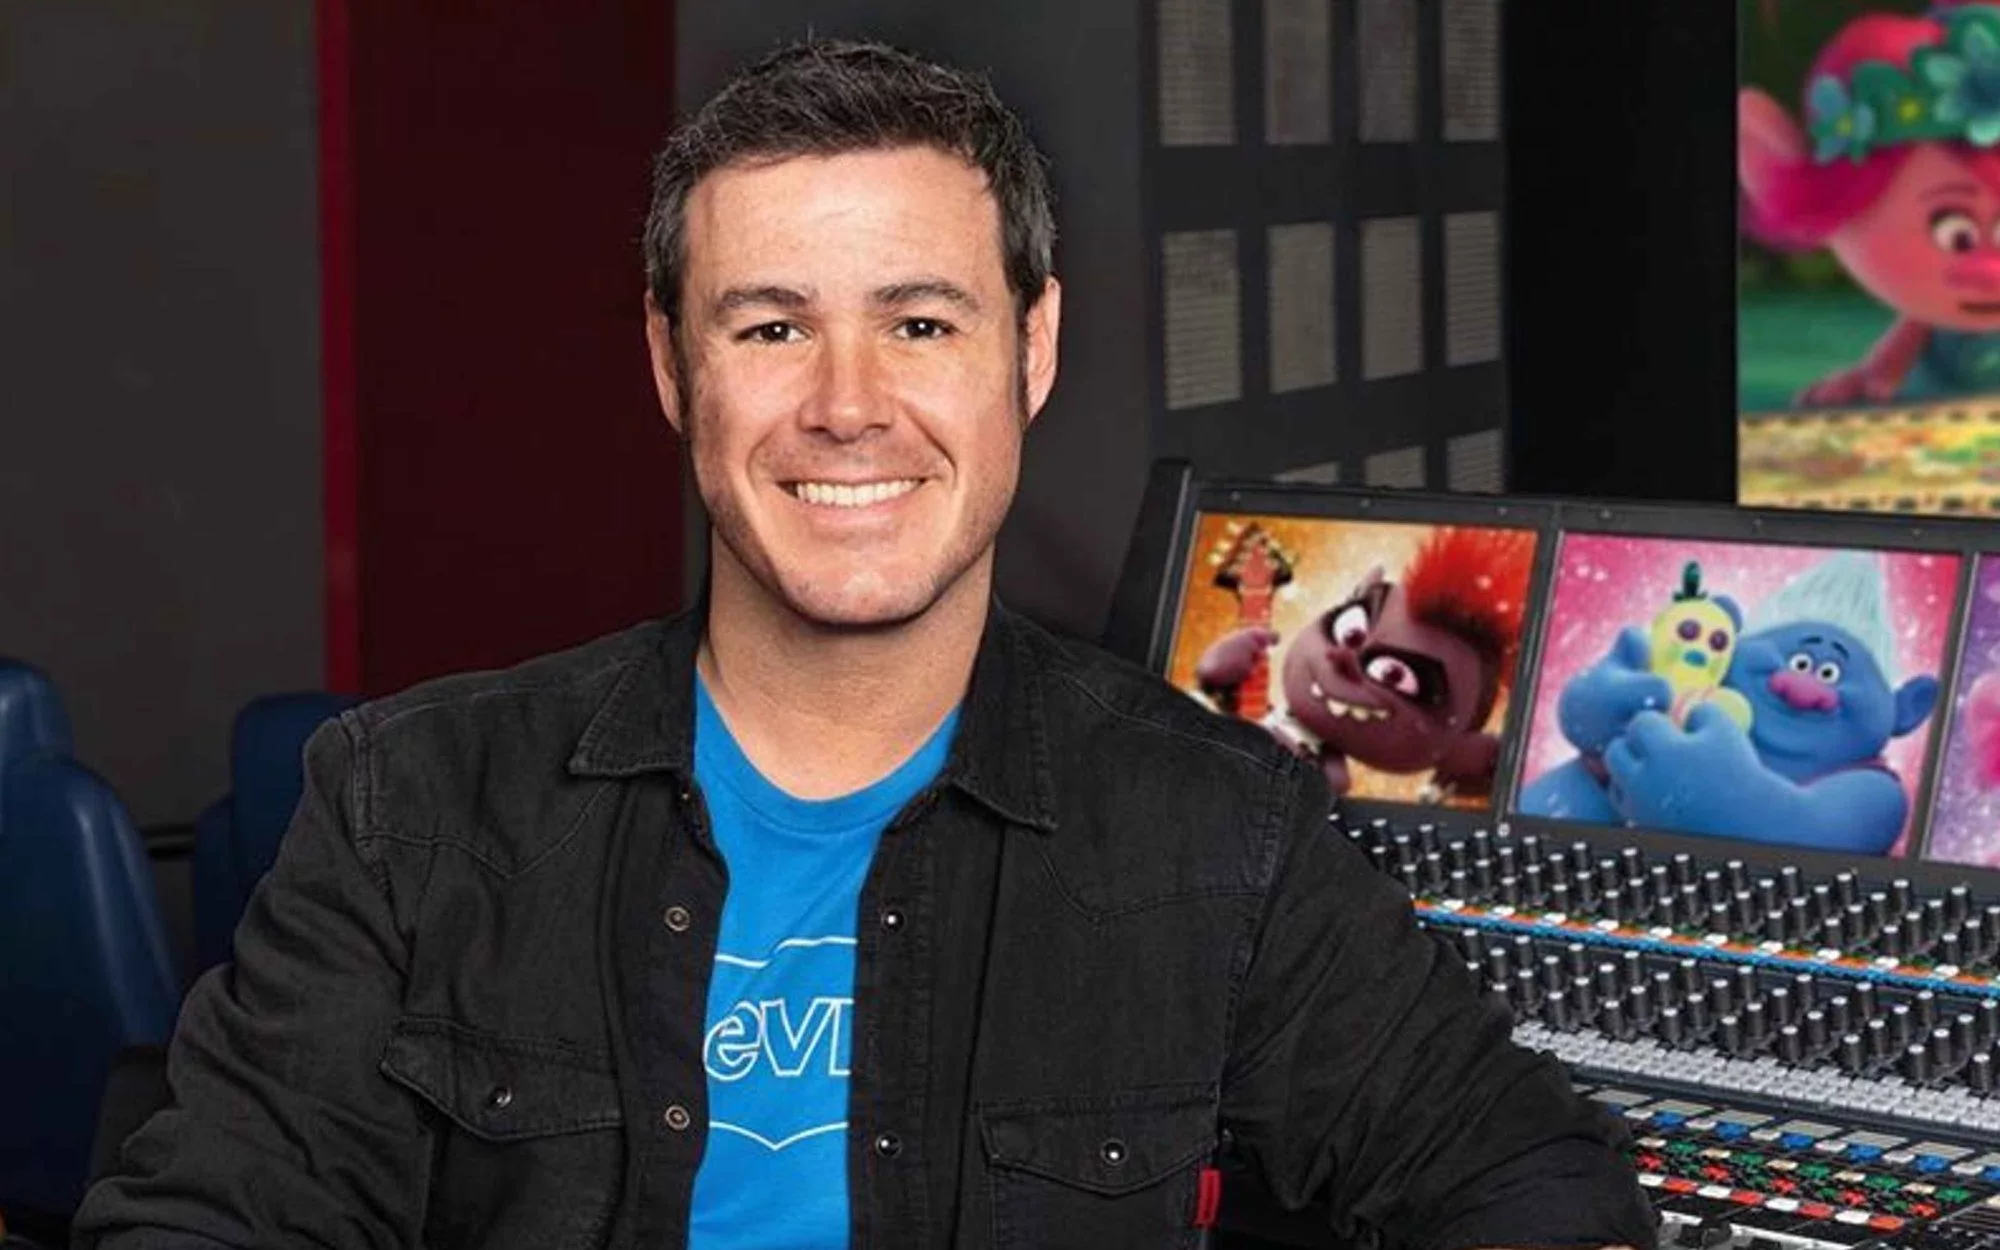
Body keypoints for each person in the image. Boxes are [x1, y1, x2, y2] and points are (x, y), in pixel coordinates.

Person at [75, 38, 1655, 1250]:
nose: (847, 403)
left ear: (1031, 348)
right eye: (771, 326)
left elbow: (1529, 1181)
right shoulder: (409, 806)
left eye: (919, 322)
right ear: (673, 366)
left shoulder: (1218, 830)